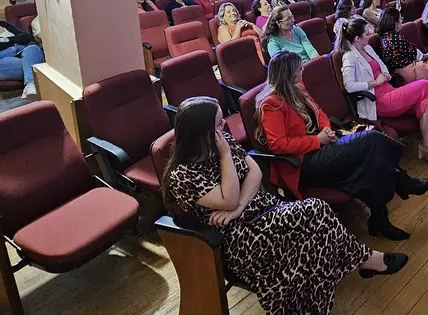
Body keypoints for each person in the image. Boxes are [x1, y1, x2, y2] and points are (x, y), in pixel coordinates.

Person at [162, 97, 408, 315]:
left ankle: (359, 268)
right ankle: (366, 260)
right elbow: (229, 198)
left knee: (314, 231)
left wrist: (239, 206)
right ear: (201, 132)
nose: (224, 125)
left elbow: (255, 171)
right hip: (238, 238)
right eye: (218, 123)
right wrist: (227, 159)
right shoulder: (183, 174)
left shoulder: (222, 140)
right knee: (315, 211)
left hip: (264, 211)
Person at [257, 52, 428, 241]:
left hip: (323, 145)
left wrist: (325, 130)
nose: (302, 70)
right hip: (304, 161)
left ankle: (380, 221)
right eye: (299, 68)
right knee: (373, 140)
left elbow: (319, 112)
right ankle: (401, 181)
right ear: (288, 73)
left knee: (370, 164)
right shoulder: (271, 104)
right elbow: (278, 145)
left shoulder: (298, 87)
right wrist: (317, 140)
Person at [338, 17, 428, 168]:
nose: (370, 35)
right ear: (357, 38)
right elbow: (350, 86)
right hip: (377, 100)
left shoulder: (368, 48)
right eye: (366, 34)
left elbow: (382, 65)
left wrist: (385, 74)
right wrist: (375, 82)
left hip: (389, 90)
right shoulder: (349, 57)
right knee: (425, 85)